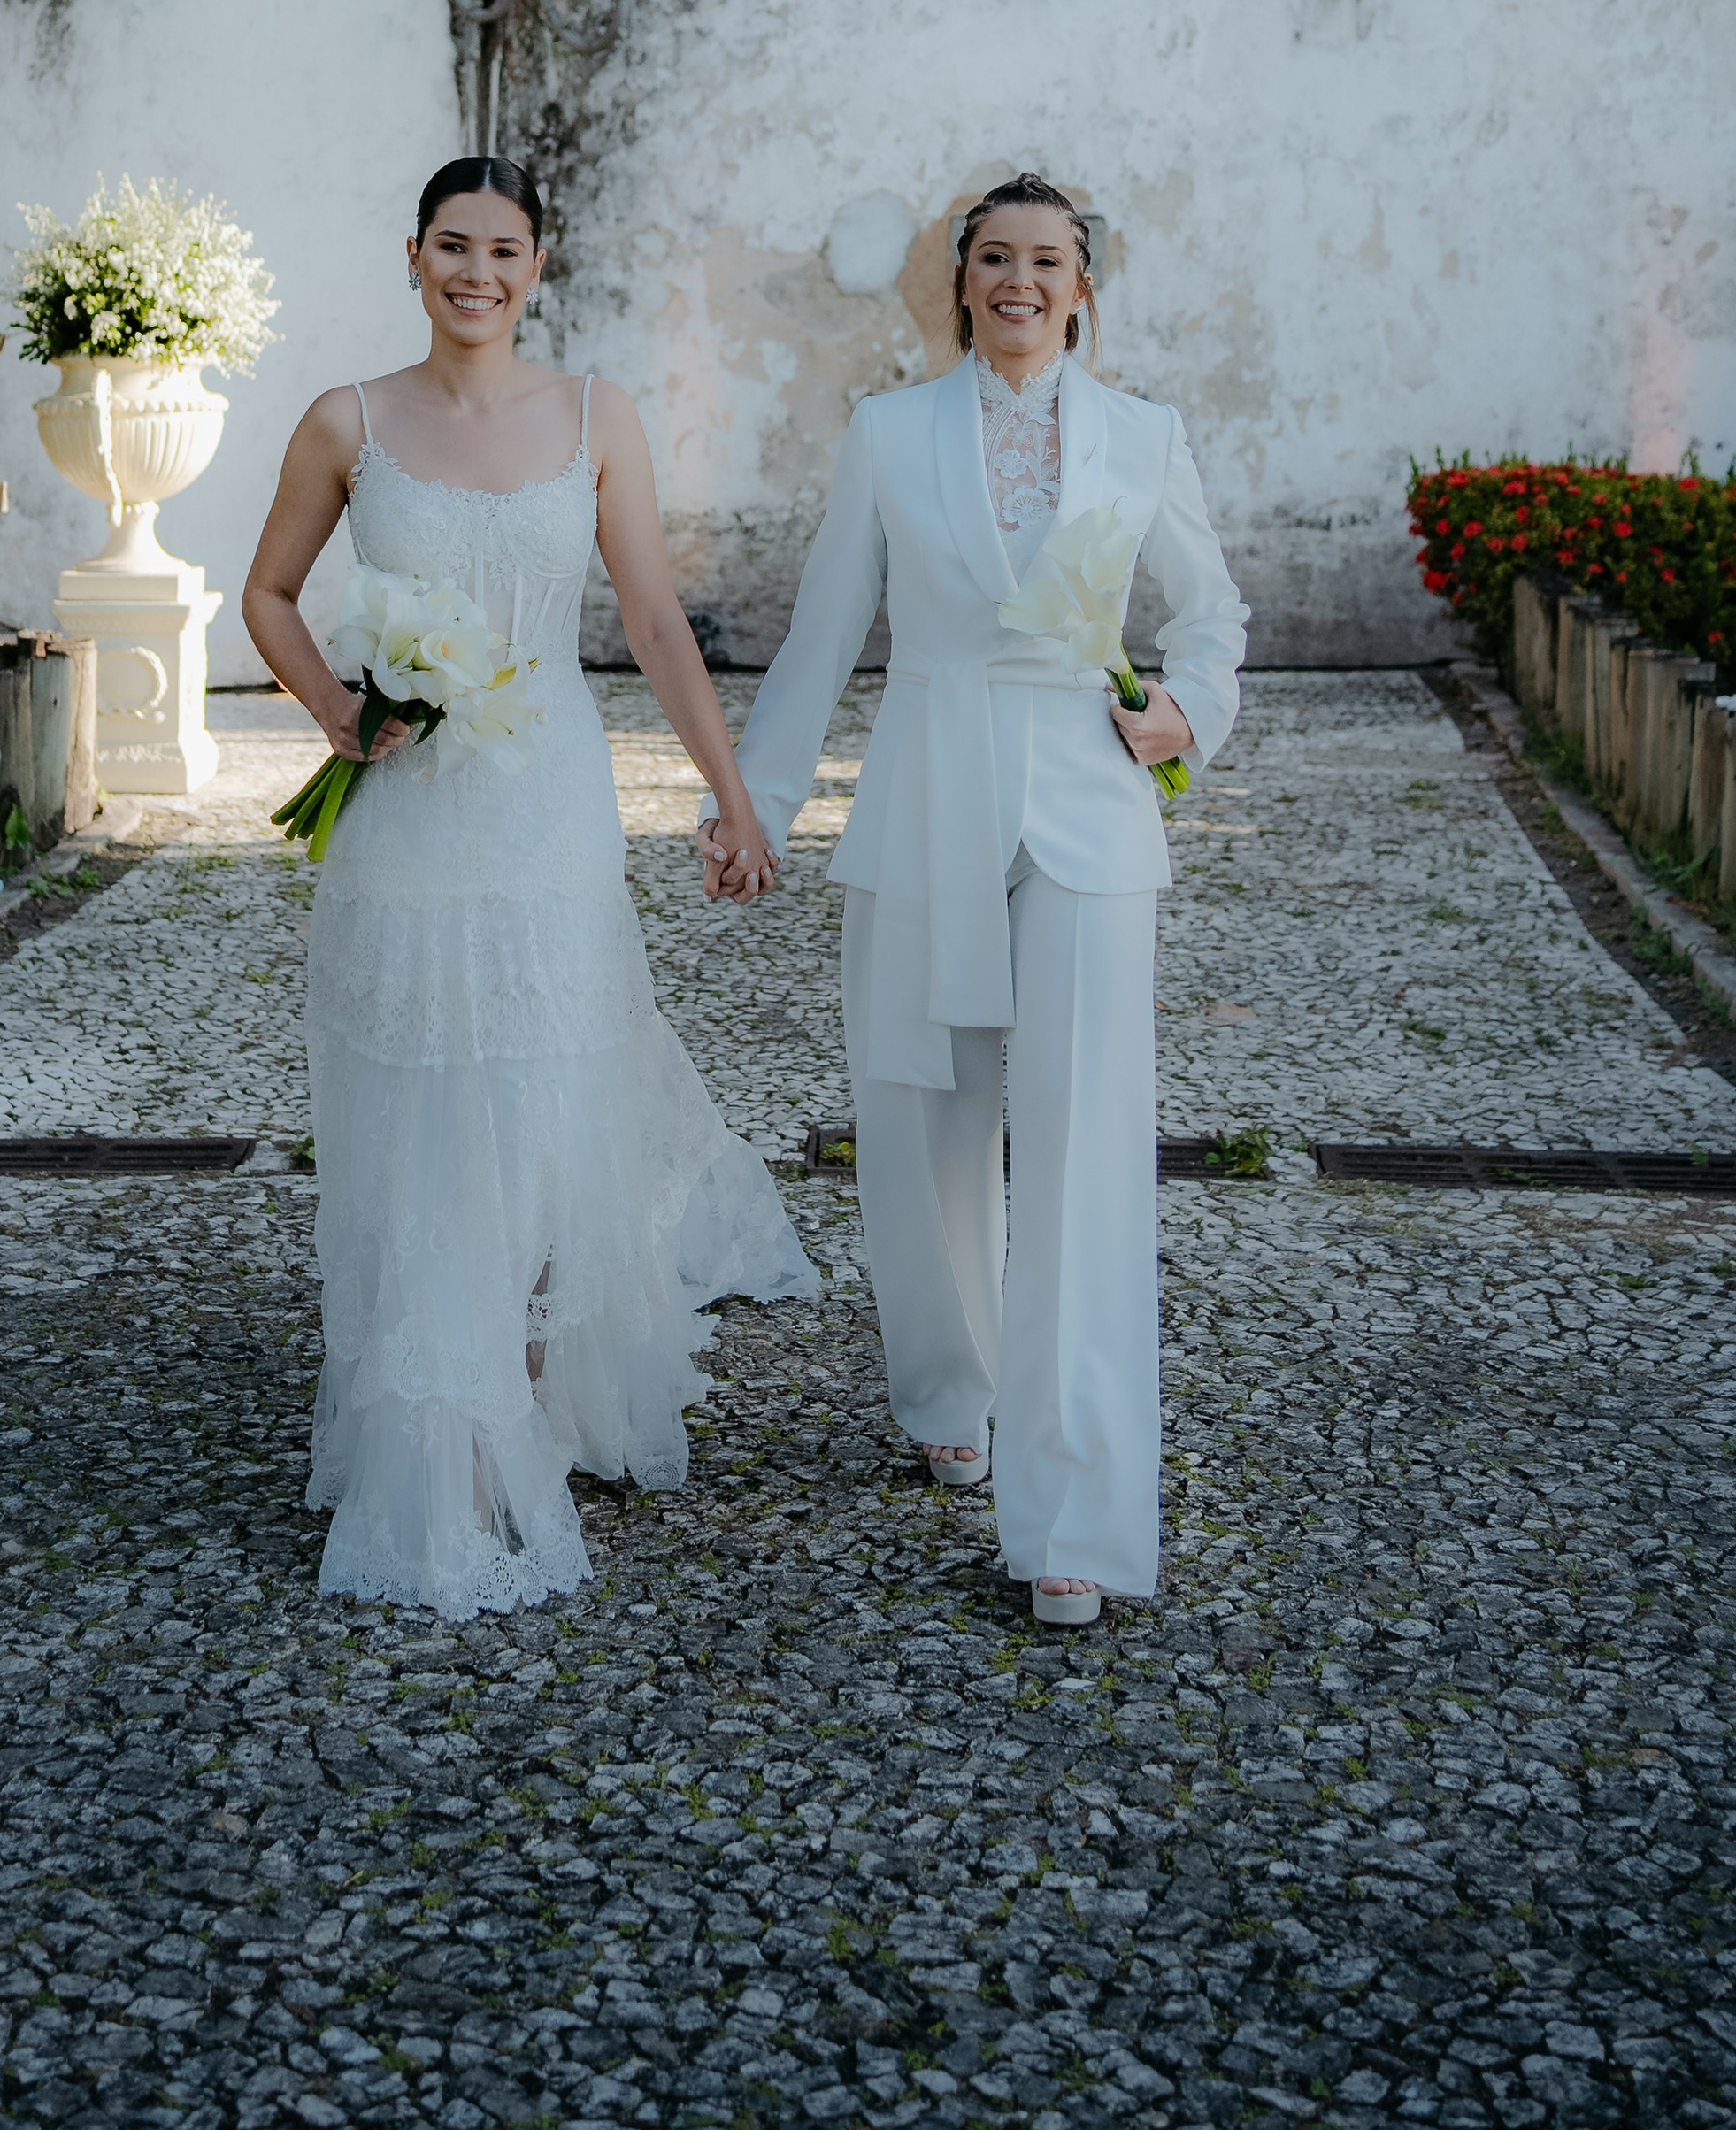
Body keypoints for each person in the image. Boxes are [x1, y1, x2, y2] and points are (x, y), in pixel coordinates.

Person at [242, 153, 814, 1618]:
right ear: (413, 256)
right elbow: (268, 593)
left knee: (546, 1094)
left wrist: (732, 792)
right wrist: (335, 711)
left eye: (503, 249)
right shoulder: (347, 419)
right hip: (410, 816)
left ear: (538, 267)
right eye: (452, 244)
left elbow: (654, 616)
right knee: (428, 1101)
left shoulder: (595, 415)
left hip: (551, 804)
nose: (476, 271)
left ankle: (527, 1385)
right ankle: (449, 1411)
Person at [702, 173, 1248, 1624]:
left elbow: (1212, 611)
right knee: (922, 1115)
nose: (1019, 279)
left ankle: (1073, 1514)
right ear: (959, 280)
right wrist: (756, 802)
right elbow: (824, 634)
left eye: (1046, 259)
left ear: (1083, 284)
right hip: (927, 789)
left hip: (1087, 810)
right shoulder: (890, 434)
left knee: (1083, 1152)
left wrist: (1188, 708)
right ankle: (950, 1384)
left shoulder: (1145, 435)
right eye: (994, 256)